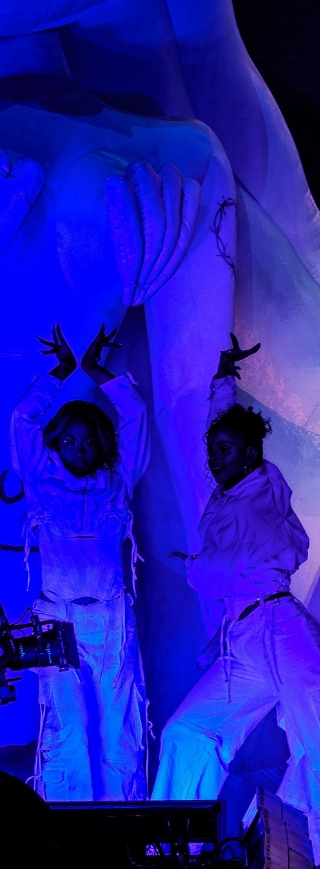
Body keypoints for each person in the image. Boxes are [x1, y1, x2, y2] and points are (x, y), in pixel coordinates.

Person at [153, 338, 320, 869]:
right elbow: (225, 441)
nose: (215, 459)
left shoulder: (260, 494)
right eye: (213, 451)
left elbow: (215, 573)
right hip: (246, 641)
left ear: (251, 455)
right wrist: (222, 386)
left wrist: (187, 564)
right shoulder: (234, 490)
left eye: (226, 451)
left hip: (281, 632)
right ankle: (172, 852)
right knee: (189, 732)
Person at [10, 326, 148, 800]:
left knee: (117, 730)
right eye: (69, 442)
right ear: (57, 443)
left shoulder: (118, 479)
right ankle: (67, 829)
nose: (79, 450)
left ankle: (121, 824)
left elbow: (135, 415)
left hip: (111, 618)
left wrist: (95, 372)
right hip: (59, 618)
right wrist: (61, 372)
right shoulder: (40, 477)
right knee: (68, 729)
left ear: (101, 444)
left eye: (88, 442)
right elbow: (23, 418)